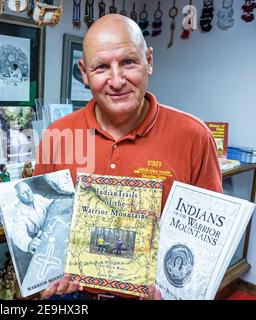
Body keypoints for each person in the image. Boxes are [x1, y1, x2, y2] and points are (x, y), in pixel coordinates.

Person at [34, 14, 222, 300]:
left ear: (149, 61)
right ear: (84, 73)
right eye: (101, 68)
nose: (117, 80)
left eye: (128, 62)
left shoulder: (194, 135)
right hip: (73, 295)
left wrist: (179, 291)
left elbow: (207, 243)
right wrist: (45, 273)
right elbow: (44, 218)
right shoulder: (56, 134)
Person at [11, 181, 53, 254]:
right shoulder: (18, 213)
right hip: (38, 240)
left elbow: (49, 203)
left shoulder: (37, 197)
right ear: (18, 197)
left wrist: (55, 203)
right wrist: (29, 243)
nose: (29, 194)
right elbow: (18, 233)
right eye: (24, 193)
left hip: (50, 229)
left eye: (29, 190)